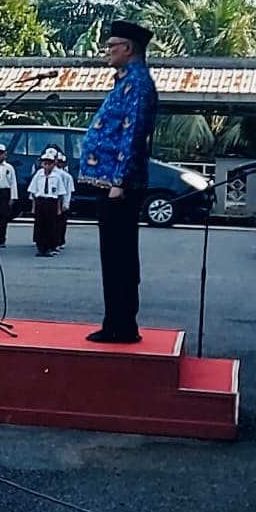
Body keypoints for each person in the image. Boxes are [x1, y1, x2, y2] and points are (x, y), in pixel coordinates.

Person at [77, 20, 159, 344]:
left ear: (128, 48)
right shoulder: (123, 81)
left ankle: (123, 324)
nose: (107, 52)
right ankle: (114, 320)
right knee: (111, 256)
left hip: (119, 183)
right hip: (108, 180)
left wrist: (120, 180)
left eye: (112, 46)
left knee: (120, 256)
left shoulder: (138, 84)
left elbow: (133, 134)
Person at [28, 149, 67, 257]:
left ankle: (50, 247)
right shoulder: (38, 175)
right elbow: (34, 193)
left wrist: (59, 208)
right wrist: (33, 207)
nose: (47, 166)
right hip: (41, 202)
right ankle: (40, 247)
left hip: (51, 202)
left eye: (49, 164)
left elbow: (60, 194)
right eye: (45, 163)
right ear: (42, 164)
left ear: (53, 164)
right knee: (40, 224)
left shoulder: (57, 177)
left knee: (51, 225)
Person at [0, 143, 19, 248]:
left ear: (5, 155)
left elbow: (13, 183)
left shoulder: (9, 168)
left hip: (4, 193)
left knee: (3, 218)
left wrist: (13, 197)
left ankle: (1, 239)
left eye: (1, 154)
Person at [54, 151, 73, 252]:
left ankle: (60, 240)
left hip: (62, 201)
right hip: (53, 200)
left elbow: (68, 191)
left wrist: (66, 203)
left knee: (61, 223)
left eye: (62, 162)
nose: (60, 163)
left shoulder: (66, 176)